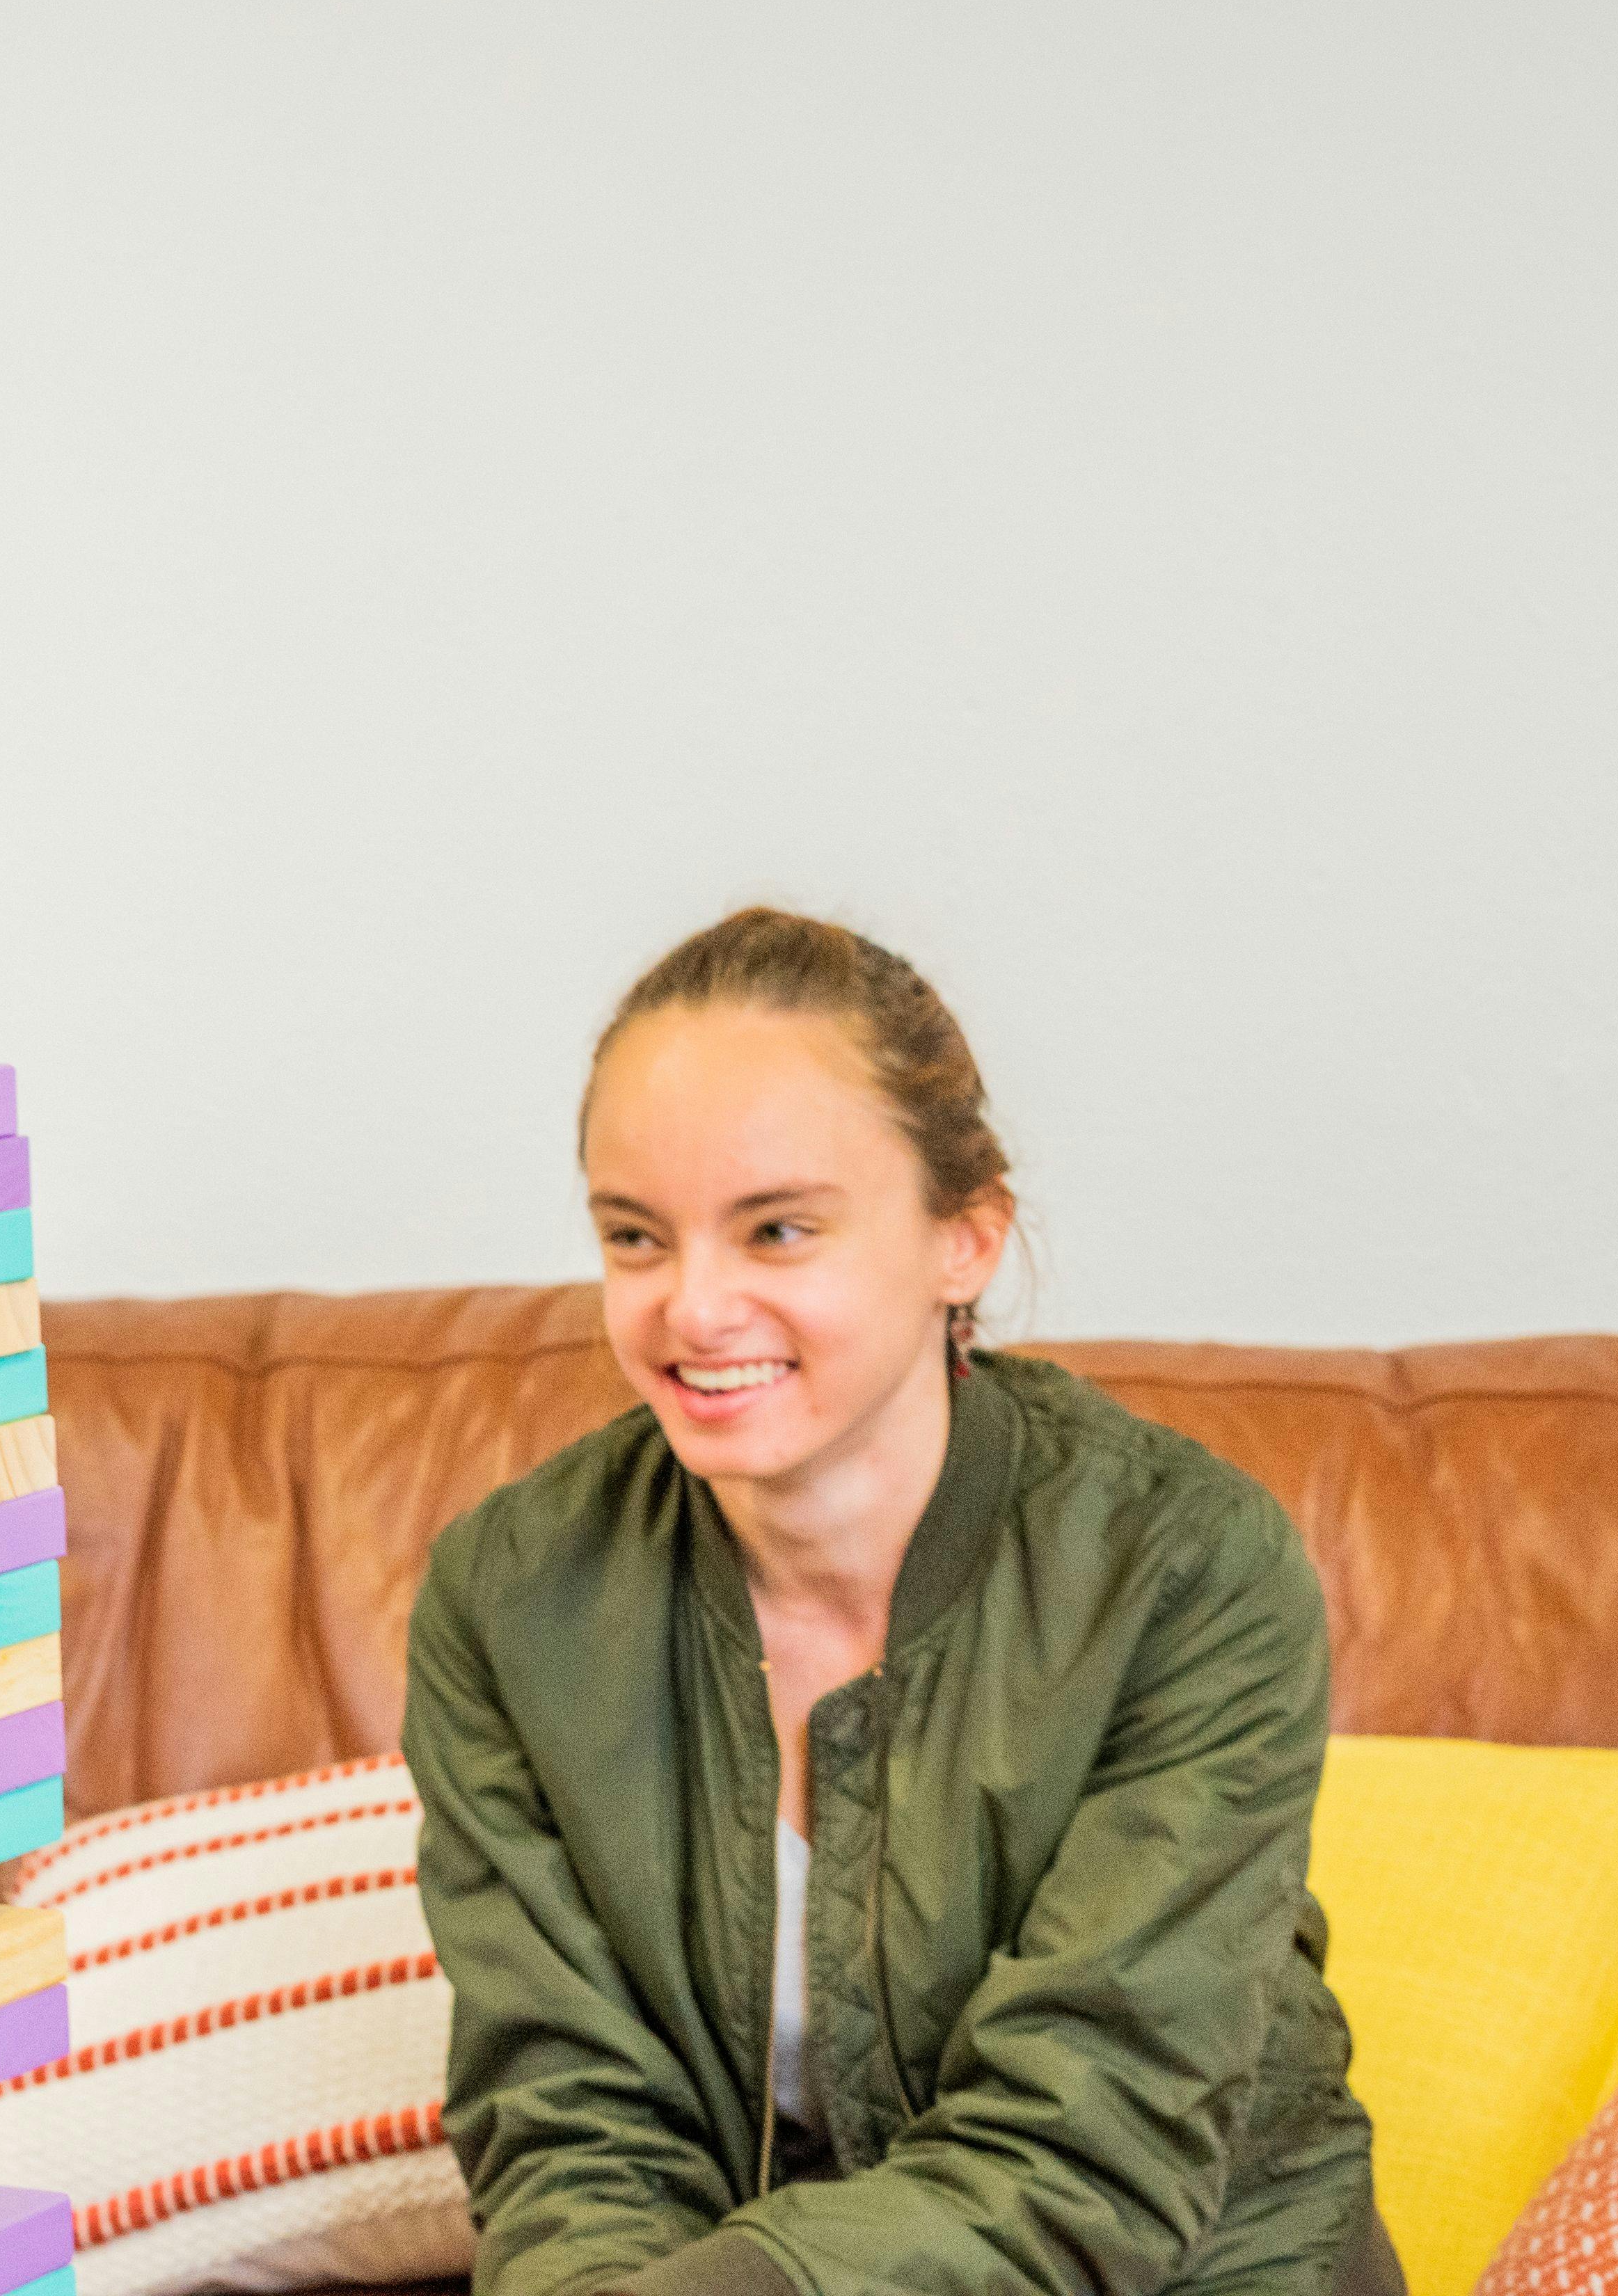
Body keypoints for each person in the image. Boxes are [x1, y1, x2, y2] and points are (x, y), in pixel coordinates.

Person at [405, 909, 1396, 2296]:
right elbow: (572, 2127)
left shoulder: (1184, 1571)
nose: (691, 1307)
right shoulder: (508, 1598)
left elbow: (1085, 2149)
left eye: (777, 1229)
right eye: (634, 1237)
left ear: (962, 1239)